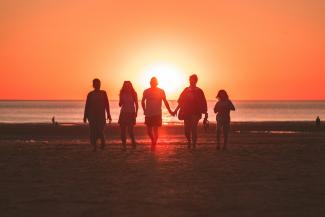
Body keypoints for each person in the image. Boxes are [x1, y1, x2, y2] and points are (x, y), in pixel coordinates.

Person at [173, 74, 208, 148]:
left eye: (193, 80)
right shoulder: (186, 90)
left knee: (194, 128)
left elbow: (203, 102)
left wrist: (205, 112)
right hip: (186, 112)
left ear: (196, 81)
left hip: (196, 112)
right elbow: (181, 102)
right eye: (190, 80)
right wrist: (176, 110)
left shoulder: (199, 91)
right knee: (186, 130)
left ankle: (194, 145)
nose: (191, 81)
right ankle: (189, 141)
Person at [141, 77, 173, 151]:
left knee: (155, 130)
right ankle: (153, 140)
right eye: (152, 82)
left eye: (154, 82)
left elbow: (165, 101)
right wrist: (144, 109)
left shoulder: (161, 91)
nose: (153, 83)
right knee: (149, 131)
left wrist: (170, 111)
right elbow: (142, 101)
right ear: (150, 83)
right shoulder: (146, 91)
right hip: (148, 113)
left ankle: (154, 143)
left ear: (156, 83)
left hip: (157, 113)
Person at [83, 78, 112, 151]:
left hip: (101, 115)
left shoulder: (103, 93)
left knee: (100, 131)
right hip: (92, 115)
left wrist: (108, 114)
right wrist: (85, 116)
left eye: (98, 84)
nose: (97, 85)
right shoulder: (90, 94)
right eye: (95, 84)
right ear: (93, 85)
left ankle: (102, 142)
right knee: (93, 131)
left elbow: (106, 104)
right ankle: (95, 147)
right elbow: (87, 105)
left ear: (100, 84)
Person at [118, 81, 138, 150]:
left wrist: (136, 113)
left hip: (131, 113)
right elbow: (120, 105)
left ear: (130, 86)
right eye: (125, 86)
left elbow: (136, 104)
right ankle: (124, 146)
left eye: (128, 85)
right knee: (122, 130)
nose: (127, 87)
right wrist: (121, 101)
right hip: (123, 113)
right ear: (124, 86)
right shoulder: (122, 93)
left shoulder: (134, 93)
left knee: (130, 131)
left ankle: (133, 143)